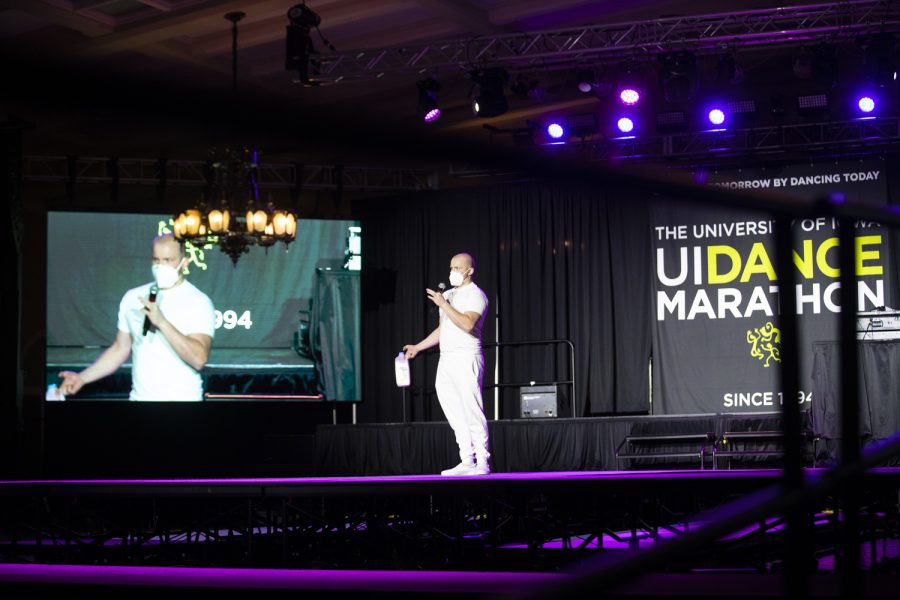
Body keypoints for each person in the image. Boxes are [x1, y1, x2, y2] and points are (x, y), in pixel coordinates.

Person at [58, 233, 215, 401]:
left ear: (184, 263)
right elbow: (120, 349)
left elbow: (199, 359)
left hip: (183, 403)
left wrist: (162, 322)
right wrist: (82, 378)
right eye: (156, 260)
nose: (160, 266)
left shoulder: (198, 301)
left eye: (168, 260)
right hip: (139, 400)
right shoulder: (133, 297)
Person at [403, 252, 490, 476]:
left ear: (469, 271)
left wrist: (444, 304)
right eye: (451, 267)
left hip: (466, 356)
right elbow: (444, 329)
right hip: (447, 358)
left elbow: (468, 324)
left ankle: (482, 461)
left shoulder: (476, 295)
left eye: (458, 268)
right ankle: (466, 460)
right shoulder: (449, 294)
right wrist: (418, 347)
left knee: (471, 409)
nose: (453, 272)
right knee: (454, 411)